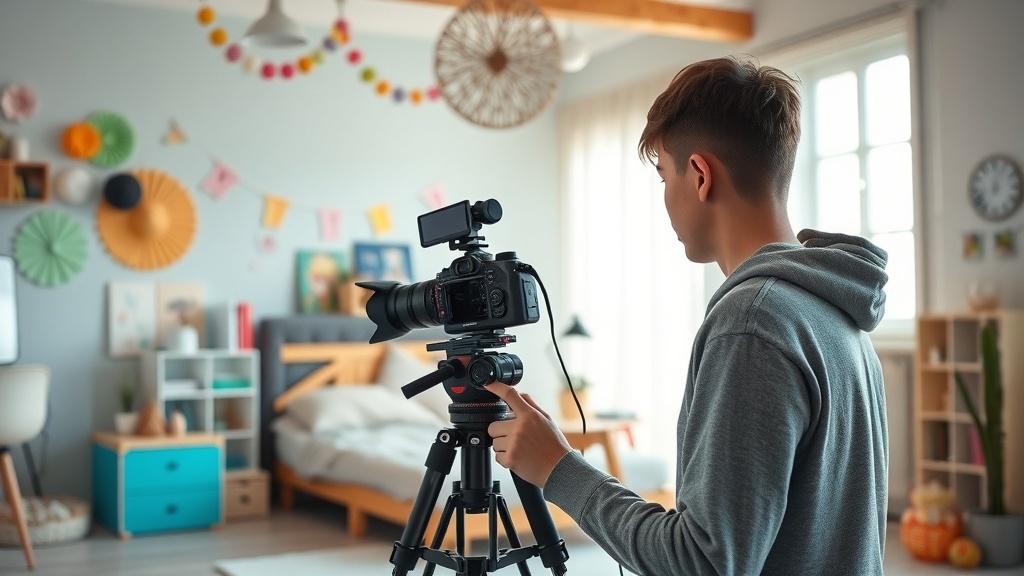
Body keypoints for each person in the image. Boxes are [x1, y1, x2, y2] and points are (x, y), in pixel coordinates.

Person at [486, 56, 889, 575]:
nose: (665, 200)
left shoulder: (753, 323)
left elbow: (702, 562)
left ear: (699, 174)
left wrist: (561, 470)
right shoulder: (835, 306)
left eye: (663, 177)